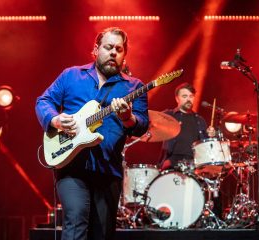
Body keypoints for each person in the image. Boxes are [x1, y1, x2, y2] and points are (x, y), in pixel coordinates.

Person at [35, 27, 149, 239]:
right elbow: (44, 101)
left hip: (108, 170)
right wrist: (55, 119)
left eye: (119, 49)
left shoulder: (134, 87)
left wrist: (128, 118)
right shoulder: (71, 76)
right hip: (71, 166)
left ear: (124, 55)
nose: (114, 52)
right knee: (76, 220)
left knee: (102, 233)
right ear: (95, 50)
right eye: (108, 47)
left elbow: (142, 124)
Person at [159, 82, 215, 170]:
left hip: (194, 166)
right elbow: (150, 122)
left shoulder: (200, 120)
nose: (188, 99)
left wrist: (210, 136)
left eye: (191, 96)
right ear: (177, 99)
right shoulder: (168, 116)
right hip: (171, 164)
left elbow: (205, 148)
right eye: (184, 96)